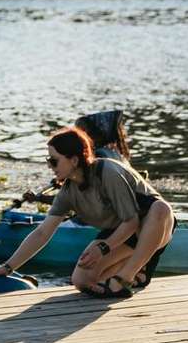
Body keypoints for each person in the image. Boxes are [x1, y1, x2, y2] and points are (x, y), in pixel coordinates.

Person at [0, 127, 169, 297]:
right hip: (120, 233)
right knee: (82, 281)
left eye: (54, 160)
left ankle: (125, 277)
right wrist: (8, 267)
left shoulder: (108, 172)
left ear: (74, 160)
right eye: (48, 161)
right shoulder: (67, 192)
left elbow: (132, 221)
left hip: (152, 225)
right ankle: (139, 270)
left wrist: (103, 248)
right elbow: (42, 233)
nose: (50, 166)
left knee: (160, 207)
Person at [73, 109, 177, 280]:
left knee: (86, 279)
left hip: (134, 221)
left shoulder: (99, 156)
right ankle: (137, 267)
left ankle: (132, 270)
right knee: (84, 280)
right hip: (136, 219)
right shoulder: (118, 153)